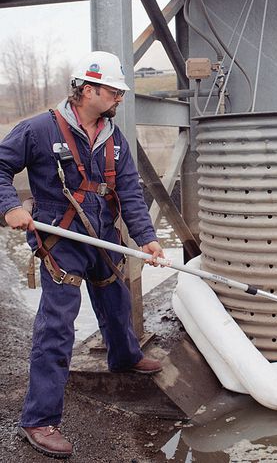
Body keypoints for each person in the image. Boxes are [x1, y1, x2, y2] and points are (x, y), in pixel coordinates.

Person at [0, 51, 164, 459]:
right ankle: (38, 420)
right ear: (87, 89)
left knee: (115, 298)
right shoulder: (39, 129)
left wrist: (146, 238)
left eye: (119, 93)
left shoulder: (114, 137)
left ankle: (123, 357)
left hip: (103, 236)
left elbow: (129, 191)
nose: (119, 98)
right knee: (57, 328)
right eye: (113, 91)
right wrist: (10, 207)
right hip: (62, 241)